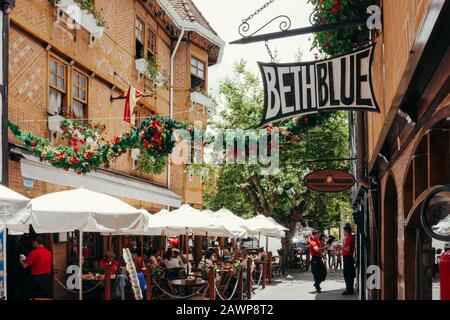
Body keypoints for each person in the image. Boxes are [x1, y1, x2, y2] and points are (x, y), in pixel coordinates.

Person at [342, 225, 356, 295]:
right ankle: (350, 289)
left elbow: (347, 249)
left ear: (346, 231)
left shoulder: (348, 238)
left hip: (348, 257)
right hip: (349, 257)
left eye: (344, 231)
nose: (343, 232)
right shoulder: (350, 238)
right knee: (349, 273)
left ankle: (349, 289)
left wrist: (341, 247)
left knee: (347, 274)